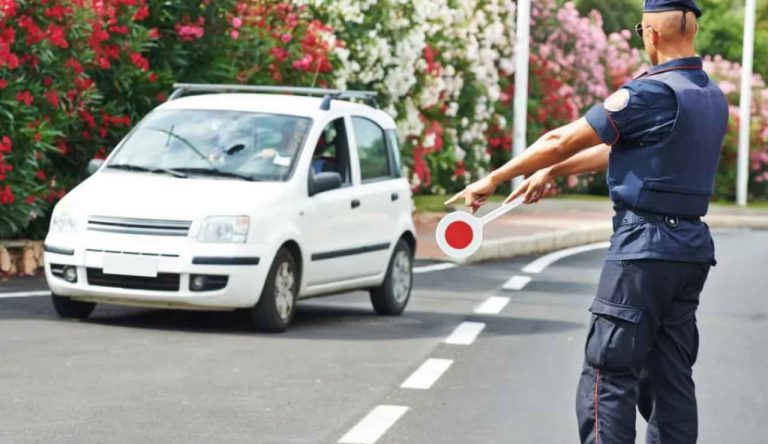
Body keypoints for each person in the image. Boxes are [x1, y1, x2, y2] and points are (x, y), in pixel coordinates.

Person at [445, 1, 728, 442]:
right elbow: (623, 145)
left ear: (650, 34)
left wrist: (496, 177)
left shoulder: (651, 92)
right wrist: (552, 171)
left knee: (609, 373)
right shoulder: (708, 95)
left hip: (642, 248)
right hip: (690, 249)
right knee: (671, 377)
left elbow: (561, 138)